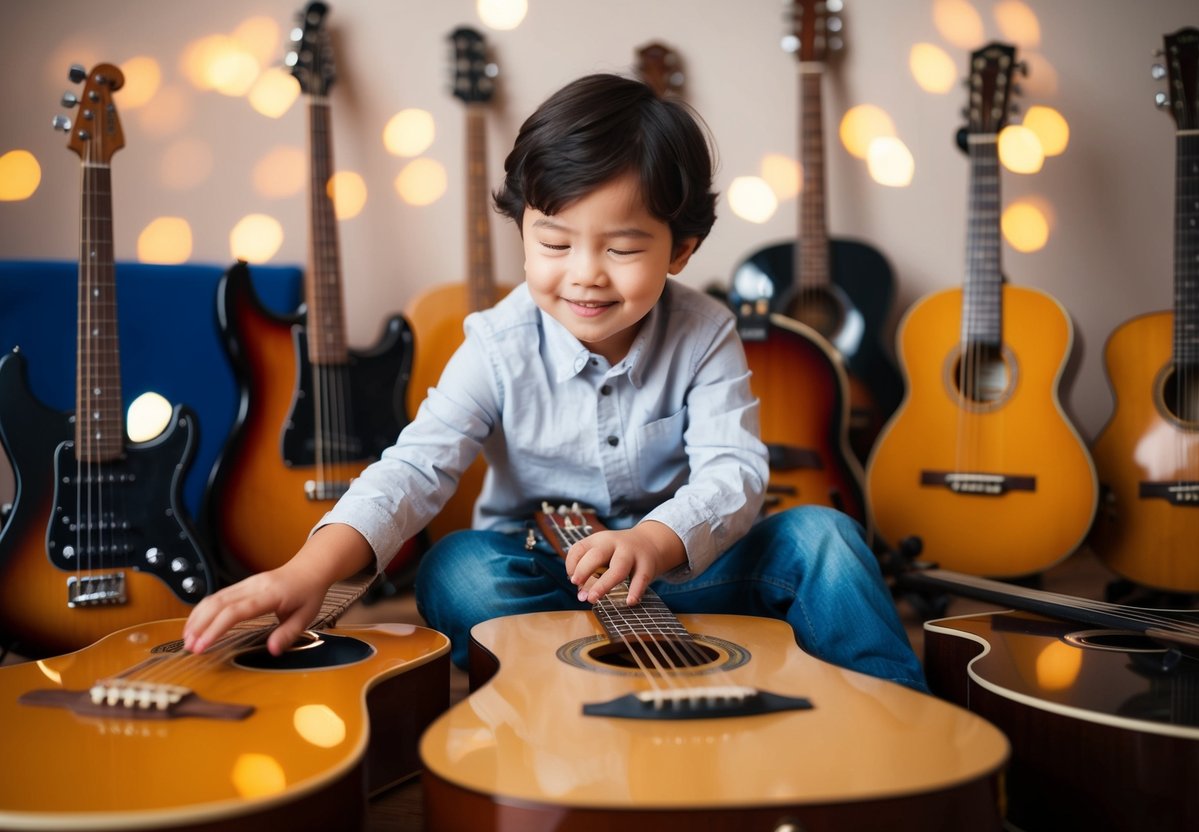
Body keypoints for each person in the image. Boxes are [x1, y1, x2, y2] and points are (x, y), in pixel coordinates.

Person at [183, 73, 926, 693]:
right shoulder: (495, 344)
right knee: (457, 570)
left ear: (681, 249)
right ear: (520, 231)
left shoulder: (707, 332)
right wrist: (310, 570)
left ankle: (898, 720)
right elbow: (416, 468)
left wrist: (657, 540)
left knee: (823, 536)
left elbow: (734, 471)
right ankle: (544, 696)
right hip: (545, 579)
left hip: (682, 571)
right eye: (554, 242)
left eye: (623, 247)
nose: (584, 274)